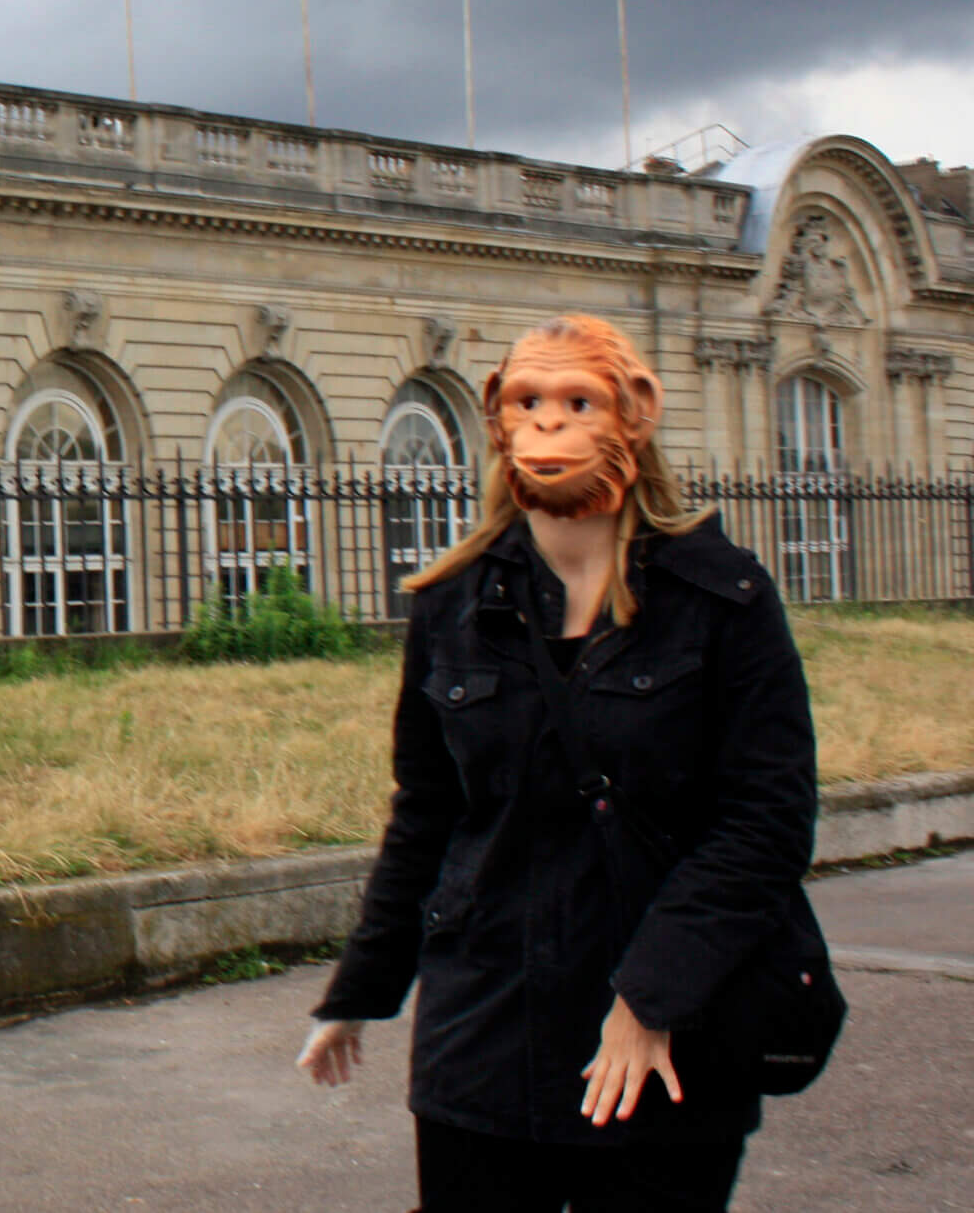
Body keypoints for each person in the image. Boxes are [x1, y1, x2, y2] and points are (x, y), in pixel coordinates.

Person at [297, 315, 819, 1212]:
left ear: (635, 415)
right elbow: (426, 812)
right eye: (525, 402)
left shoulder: (721, 598)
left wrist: (649, 998)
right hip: (486, 1028)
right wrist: (363, 987)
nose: (545, 424)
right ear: (497, 421)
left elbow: (765, 821)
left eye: (577, 401)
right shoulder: (452, 603)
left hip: (667, 1038)